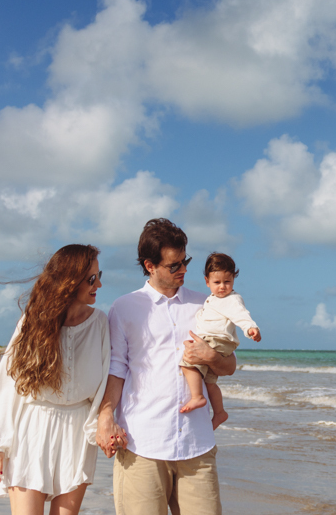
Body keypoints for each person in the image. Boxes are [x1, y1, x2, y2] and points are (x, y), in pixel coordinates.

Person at [97, 218, 236, 515]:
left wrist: (210, 357)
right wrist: (105, 416)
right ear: (150, 266)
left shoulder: (207, 305)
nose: (184, 270)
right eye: (174, 265)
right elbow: (117, 368)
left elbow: (229, 366)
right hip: (141, 444)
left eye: (184, 261)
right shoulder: (124, 308)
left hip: (196, 445)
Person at [0, 244, 110, 515]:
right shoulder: (34, 320)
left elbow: (107, 378)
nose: (98, 284)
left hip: (77, 431)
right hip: (32, 428)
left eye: (98, 275)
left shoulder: (100, 323)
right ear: (69, 282)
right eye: (91, 279)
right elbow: (8, 383)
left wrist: (100, 427)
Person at [179, 252, 261, 429]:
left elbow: (242, 315)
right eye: (217, 282)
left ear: (233, 280)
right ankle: (219, 412)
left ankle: (197, 397)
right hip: (217, 341)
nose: (222, 287)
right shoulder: (212, 299)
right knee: (209, 382)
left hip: (216, 340)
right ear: (207, 281)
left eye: (227, 282)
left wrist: (251, 328)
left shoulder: (232, 299)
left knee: (187, 363)